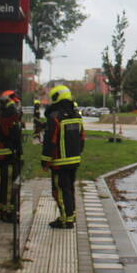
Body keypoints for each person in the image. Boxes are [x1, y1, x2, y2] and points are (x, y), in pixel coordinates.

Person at [41, 84, 84, 229]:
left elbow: (50, 141)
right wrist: (77, 154)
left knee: (59, 190)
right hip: (74, 160)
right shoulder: (77, 115)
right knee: (69, 189)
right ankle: (70, 216)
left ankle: (66, 220)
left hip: (59, 162)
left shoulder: (55, 117)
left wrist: (45, 161)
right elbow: (82, 138)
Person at [0, 90, 23, 223]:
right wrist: (18, 152)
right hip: (9, 154)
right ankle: (8, 213)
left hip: (2, 153)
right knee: (10, 184)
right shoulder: (10, 112)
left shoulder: (1, 112)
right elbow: (14, 135)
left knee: (5, 183)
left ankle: (4, 211)